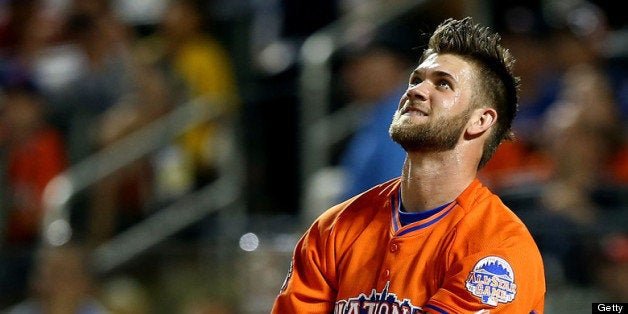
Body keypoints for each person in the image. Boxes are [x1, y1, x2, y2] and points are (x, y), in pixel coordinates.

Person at [272, 17, 545, 313]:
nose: (416, 91)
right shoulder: (333, 229)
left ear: (480, 121)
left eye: (443, 83)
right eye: (416, 79)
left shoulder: (496, 246)